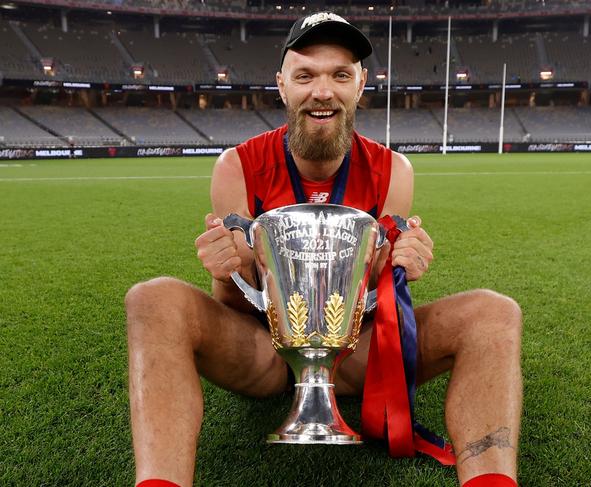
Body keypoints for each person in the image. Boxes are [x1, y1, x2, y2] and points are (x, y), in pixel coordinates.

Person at [125, 12, 522, 487]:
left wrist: (401, 263)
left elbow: (377, 300)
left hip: (356, 353)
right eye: (305, 75)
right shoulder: (238, 164)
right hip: (264, 353)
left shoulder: (394, 169)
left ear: (360, 85)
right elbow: (236, 300)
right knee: (151, 299)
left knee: (494, 313)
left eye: (340, 74)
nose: (322, 91)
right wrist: (224, 269)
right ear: (282, 84)